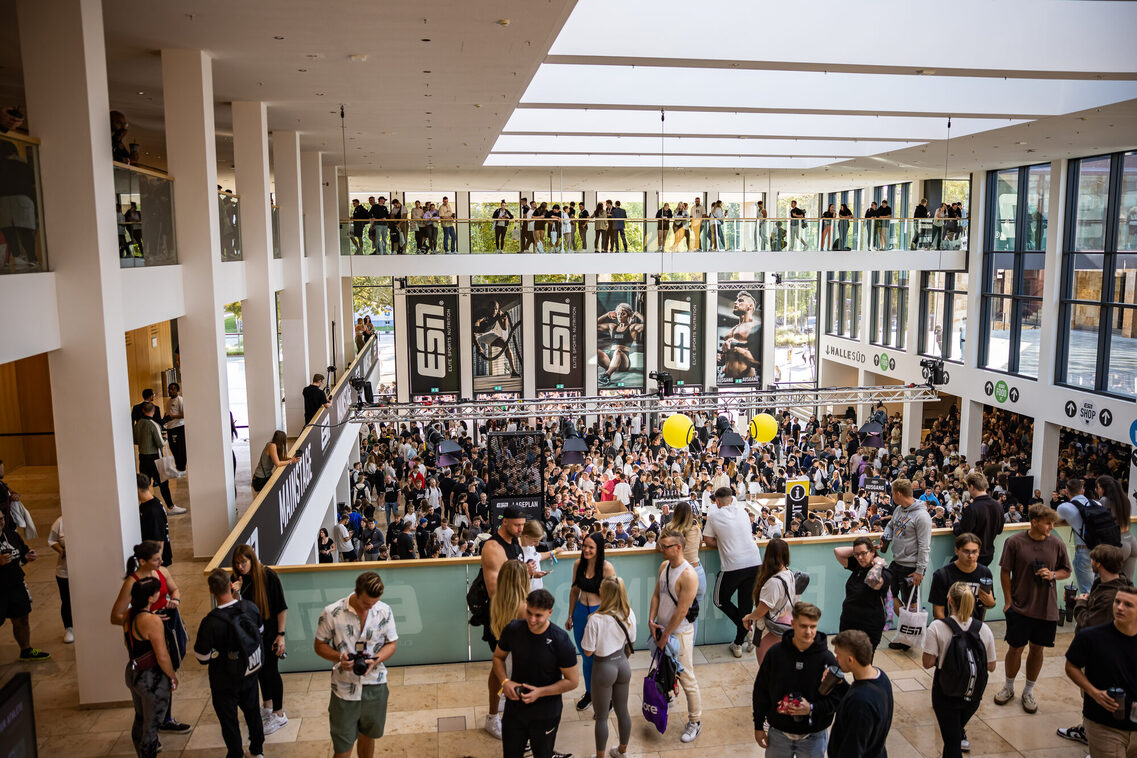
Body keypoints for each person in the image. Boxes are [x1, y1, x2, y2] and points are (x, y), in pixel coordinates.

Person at [994, 504, 1072, 714]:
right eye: (1048, 522)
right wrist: (1008, 601)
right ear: (1034, 522)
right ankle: (1008, 687)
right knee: (1015, 648)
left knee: (1037, 650)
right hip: (1020, 607)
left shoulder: (1056, 543)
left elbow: (1066, 570)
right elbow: (1005, 572)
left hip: (1046, 608)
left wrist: (1053, 575)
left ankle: (1028, 691)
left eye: (1052, 523)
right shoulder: (1014, 542)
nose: (1051, 526)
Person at [314, 572, 398, 758]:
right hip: (343, 689)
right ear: (356, 592)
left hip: (375, 685)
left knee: (368, 736)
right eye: (366, 603)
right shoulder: (332, 612)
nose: (370, 607)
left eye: (374, 603)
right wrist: (339, 657)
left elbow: (391, 643)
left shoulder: (384, 611)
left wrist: (377, 658)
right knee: (343, 747)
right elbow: (319, 646)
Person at [1058, 544, 1133, 746]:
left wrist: (1080, 604)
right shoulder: (1114, 584)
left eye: (1093, 560)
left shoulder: (1111, 596)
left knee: (1093, 693)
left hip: (1099, 655)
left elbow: (1089, 625)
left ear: (1098, 564)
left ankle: (1091, 733)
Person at [110, 541, 189, 732]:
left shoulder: (162, 571)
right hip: (148, 635)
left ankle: (165, 718)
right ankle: (158, 724)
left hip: (169, 627)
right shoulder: (132, 583)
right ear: (142, 561)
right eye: (156, 559)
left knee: (170, 665)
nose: (161, 561)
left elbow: (174, 590)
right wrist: (145, 620)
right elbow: (115, 616)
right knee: (159, 674)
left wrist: (175, 600)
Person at [494, 589, 579, 758]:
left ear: (550, 612)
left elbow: (572, 681)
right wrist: (505, 682)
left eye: (538, 616)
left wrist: (540, 692)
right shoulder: (513, 629)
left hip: (546, 712)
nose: (532, 620)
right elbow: (498, 657)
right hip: (515, 709)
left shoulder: (560, 640)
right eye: (529, 613)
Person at [752, 602, 840, 757]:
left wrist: (811, 708)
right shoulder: (775, 654)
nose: (809, 632)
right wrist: (758, 725)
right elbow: (761, 690)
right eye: (804, 626)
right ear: (793, 624)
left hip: (814, 738)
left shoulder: (827, 659)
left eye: (813, 626)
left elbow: (837, 699)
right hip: (778, 734)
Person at [193, 568, 265, 758]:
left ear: (211, 591)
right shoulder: (250, 608)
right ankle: (257, 751)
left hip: (223, 680)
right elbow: (261, 631)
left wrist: (217, 654)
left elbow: (202, 657)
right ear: (231, 585)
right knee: (253, 713)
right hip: (249, 672)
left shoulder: (210, 622)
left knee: (229, 721)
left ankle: (235, 753)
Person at [922, 582, 998, 758]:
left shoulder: (937, 627)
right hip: (972, 695)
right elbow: (991, 666)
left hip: (945, 694)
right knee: (954, 737)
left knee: (952, 741)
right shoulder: (984, 629)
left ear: (950, 600)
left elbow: (927, 662)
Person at [1064, 584, 1137, 757]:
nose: (1120, 607)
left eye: (1128, 605)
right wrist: (1094, 692)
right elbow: (1071, 666)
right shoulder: (1091, 637)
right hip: (1104, 724)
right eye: (1117, 602)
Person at [477, 504, 527, 738]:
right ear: (504, 521)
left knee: (509, 666)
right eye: (517, 525)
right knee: (500, 667)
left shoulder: (515, 541)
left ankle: (505, 707)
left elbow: (515, 577)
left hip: (516, 614)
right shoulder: (493, 547)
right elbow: (496, 590)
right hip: (501, 617)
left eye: (523, 525)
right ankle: (492, 717)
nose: (520, 529)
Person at [649, 531, 702, 743]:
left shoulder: (689, 575)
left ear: (678, 547)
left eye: (665, 546)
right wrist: (651, 621)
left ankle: (695, 721)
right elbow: (656, 594)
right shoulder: (664, 567)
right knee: (663, 669)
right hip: (662, 629)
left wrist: (666, 634)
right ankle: (667, 696)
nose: (661, 549)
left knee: (687, 676)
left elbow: (681, 612)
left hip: (678, 634)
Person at [231, 545, 289, 735]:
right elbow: (234, 608)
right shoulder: (237, 580)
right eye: (237, 563)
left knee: (272, 671)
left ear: (252, 560)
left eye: (243, 562)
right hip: (251, 636)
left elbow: (281, 607)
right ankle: (268, 706)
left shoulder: (267, 576)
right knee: (260, 671)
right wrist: (235, 591)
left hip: (270, 633)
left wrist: (281, 635)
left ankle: (279, 714)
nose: (240, 566)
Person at [703, 486, 762, 657]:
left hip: (733, 565)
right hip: (754, 562)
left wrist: (721, 543)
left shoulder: (713, 515)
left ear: (718, 502)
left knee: (720, 600)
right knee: (745, 605)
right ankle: (739, 642)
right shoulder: (743, 512)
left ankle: (745, 629)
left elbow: (707, 540)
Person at [581, 576, 635, 758]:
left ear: (604, 594)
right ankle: (622, 751)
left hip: (603, 667)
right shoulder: (629, 613)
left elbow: (587, 651)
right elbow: (631, 642)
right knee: (623, 711)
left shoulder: (595, 619)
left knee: (602, 717)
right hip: (622, 664)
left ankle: (600, 756)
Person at [123, 577, 177, 758]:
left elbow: (127, 643)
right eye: (157, 592)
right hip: (150, 678)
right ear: (150, 598)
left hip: (133, 671)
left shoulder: (128, 615)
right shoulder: (152, 621)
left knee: (140, 718)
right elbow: (162, 655)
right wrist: (171, 676)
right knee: (152, 726)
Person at [565, 530, 616, 711]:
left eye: (591, 547)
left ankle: (606, 695)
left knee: (602, 658)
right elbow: (574, 591)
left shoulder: (607, 568)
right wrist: (570, 615)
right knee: (586, 658)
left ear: (599, 548)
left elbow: (613, 598)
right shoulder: (578, 564)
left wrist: (605, 618)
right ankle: (590, 693)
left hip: (599, 614)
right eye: (584, 546)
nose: (586, 550)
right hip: (580, 613)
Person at [882, 478, 932, 650]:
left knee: (910, 603)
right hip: (897, 562)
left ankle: (909, 636)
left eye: (892, 493)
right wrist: (886, 536)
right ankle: (908, 631)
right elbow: (890, 525)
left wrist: (920, 570)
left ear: (898, 494)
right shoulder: (898, 509)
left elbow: (925, 545)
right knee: (889, 593)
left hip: (911, 566)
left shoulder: (922, 516)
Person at [828, 629, 893, 758]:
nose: (836, 659)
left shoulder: (860, 703)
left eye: (838, 655)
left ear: (851, 660)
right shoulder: (880, 676)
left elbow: (853, 749)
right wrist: (841, 685)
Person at [0, 508, 48, 662]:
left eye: (1, 518)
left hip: (15, 585)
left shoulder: (11, 535)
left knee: (22, 618)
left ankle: (26, 650)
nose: (0, 522)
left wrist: (27, 556)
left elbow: (22, 554)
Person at [833, 536, 892, 651]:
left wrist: (878, 564)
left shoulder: (885, 573)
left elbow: (872, 581)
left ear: (873, 552)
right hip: (848, 622)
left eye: (863, 554)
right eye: (857, 555)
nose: (860, 558)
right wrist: (860, 550)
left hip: (868, 627)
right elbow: (838, 551)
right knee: (844, 659)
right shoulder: (857, 566)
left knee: (863, 664)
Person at [742, 537, 794, 665]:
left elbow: (762, 610)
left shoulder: (773, 583)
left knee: (766, 665)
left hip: (770, 628)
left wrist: (749, 617)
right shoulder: (789, 574)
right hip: (786, 622)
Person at [930, 532, 997, 622]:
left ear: (979, 551)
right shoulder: (942, 575)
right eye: (966, 551)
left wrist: (990, 602)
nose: (971, 556)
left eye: (974, 551)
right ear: (957, 551)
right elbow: (938, 612)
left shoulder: (985, 573)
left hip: (974, 628)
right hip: (950, 628)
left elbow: (989, 605)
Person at [663, 501, 705, 636]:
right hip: (697, 570)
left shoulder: (669, 529)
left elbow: (661, 547)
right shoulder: (696, 528)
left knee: (676, 611)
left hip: (678, 573)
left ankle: (677, 649)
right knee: (693, 615)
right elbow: (698, 547)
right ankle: (688, 650)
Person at [133, 402, 182, 515]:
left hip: (142, 457)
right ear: (153, 411)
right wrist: (165, 438)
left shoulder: (138, 424)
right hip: (154, 458)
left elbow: (135, 440)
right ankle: (170, 507)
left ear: (142, 411)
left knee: (145, 483)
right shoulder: (153, 424)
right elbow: (160, 443)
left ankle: (141, 507)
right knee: (163, 483)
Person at [953, 472, 1004, 566]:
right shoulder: (998, 506)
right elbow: (999, 530)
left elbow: (962, 533)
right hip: (988, 554)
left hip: (971, 556)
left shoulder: (972, 508)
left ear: (972, 487)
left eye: (968, 487)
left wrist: (956, 524)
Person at [1097, 475, 1137, 581]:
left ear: (1104, 488)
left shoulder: (1105, 501)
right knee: (1128, 583)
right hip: (1131, 541)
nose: (1098, 491)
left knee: (1109, 583)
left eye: (1098, 488)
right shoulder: (1125, 500)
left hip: (1117, 544)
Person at [718, 291, 762, 381]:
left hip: (747, 382)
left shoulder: (756, 326)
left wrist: (738, 348)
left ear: (750, 306)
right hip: (727, 381)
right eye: (736, 301)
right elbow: (728, 359)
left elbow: (762, 362)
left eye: (740, 301)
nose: (735, 302)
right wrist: (720, 357)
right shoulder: (732, 330)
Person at [47, 515, 73, 643]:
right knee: (67, 600)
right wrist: (61, 550)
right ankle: (69, 628)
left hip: (85, 570)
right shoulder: (60, 521)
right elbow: (52, 540)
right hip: (65, 571)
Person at [164, 382, 186, 472]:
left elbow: (184, 414)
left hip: (178, 427)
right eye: (169, 389)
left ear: (177, 390)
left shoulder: (180, 400)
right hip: (170, 428)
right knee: (172, 447)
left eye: (173, 389)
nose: (170, 390)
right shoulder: (168, 401)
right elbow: (167, 413)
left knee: (180, 448)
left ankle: (182, 467)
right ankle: (178, 465)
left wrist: (174, 416)